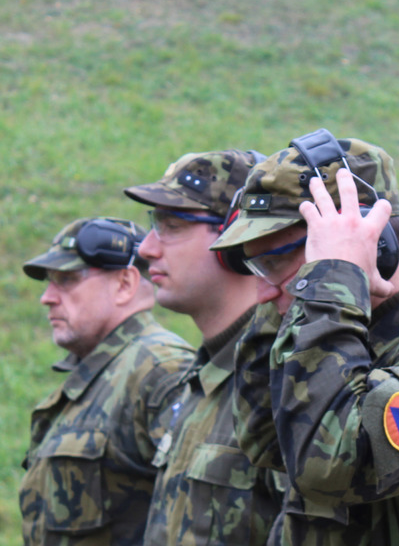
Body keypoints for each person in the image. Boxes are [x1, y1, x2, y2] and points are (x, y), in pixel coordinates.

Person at [209, 129, 399, 545]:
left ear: (376, 240)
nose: (261, 291)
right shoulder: (339, 327)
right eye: (257, 266)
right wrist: (303, 295)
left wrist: (329, 278)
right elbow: (263, 438)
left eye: (276, 261)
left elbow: (329, 466)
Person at [123, 149, 285, 545]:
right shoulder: (201, 379)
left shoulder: (282, 381)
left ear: (238, 238)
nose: (146, 249)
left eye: (172, 225)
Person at [19, 216, 195, 546]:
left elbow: (195, 519)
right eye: (49, 281)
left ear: (125, 284)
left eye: (67, 279)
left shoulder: (160, 370)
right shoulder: (105, 372)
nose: (47, 296)